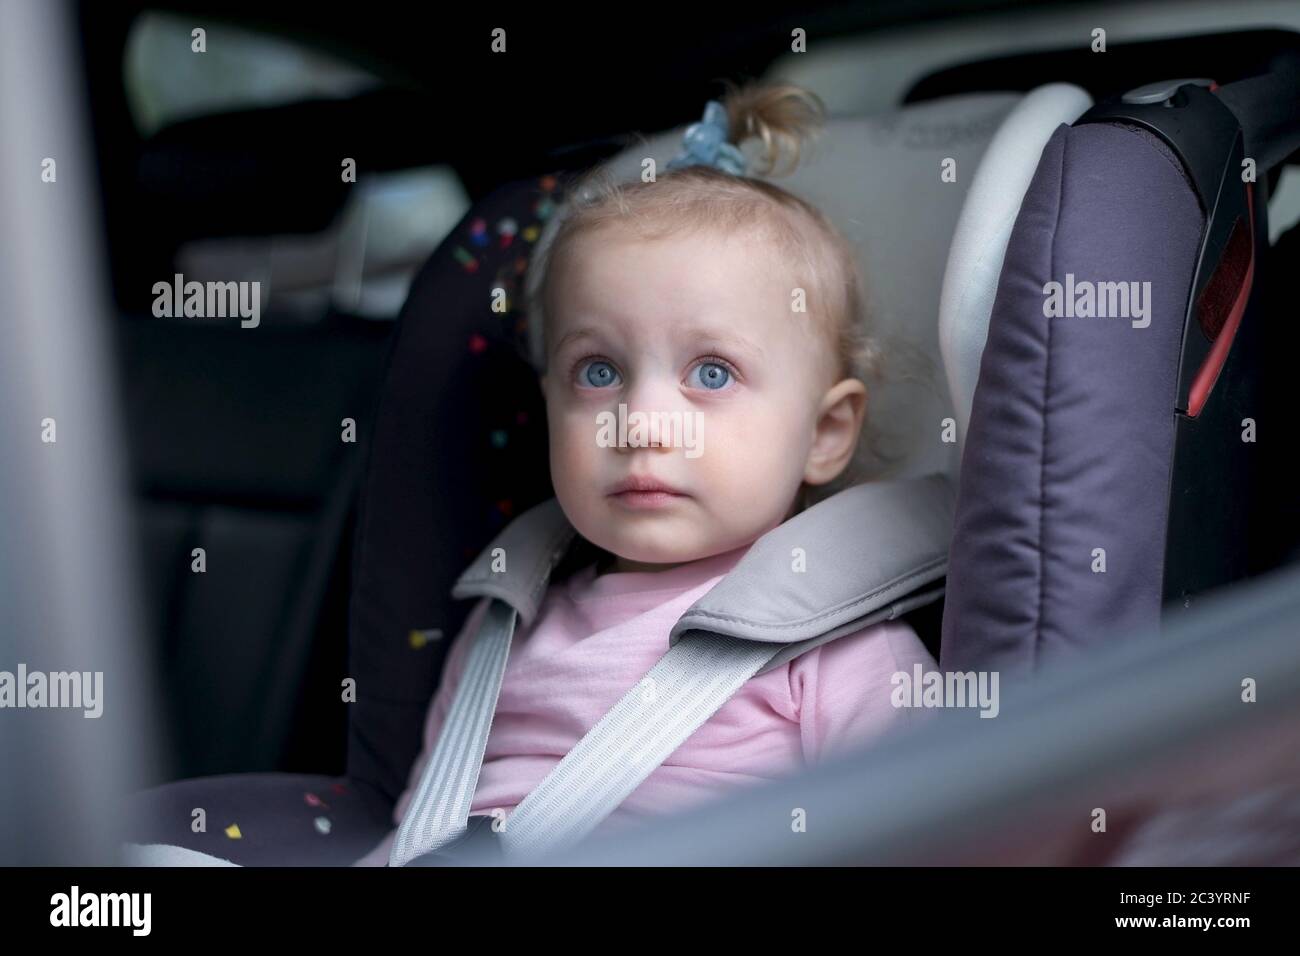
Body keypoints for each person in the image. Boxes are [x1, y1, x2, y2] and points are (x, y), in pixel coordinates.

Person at [355, 80, 936, 866]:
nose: (642, 424)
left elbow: (943, 836)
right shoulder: (502, 623)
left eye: (714, 373)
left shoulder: (846, 658)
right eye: (598, 373)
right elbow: (417, 828)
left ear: (826, 433)